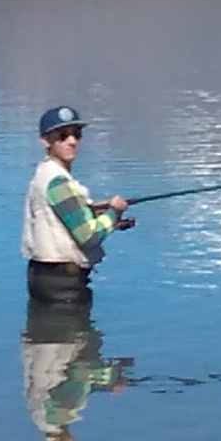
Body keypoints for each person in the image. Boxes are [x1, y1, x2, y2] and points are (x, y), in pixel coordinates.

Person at [21, 105, 130, 301]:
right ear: (45, 141)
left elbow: (63, 219)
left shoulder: (45, 173)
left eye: (76, 134)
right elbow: (88, 236)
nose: (71, 141)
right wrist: (114, 212)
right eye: (62, 135)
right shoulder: (57, 182)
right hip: (62, 285)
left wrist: (100, 214)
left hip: (46, 279)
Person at [22, 299, 131, 441]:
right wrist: (106, 381)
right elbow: (72, 381)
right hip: (40, 332)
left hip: (65, 333)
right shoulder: (38, 416)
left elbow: (81, 372)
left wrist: (114, 373)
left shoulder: (60, 415)